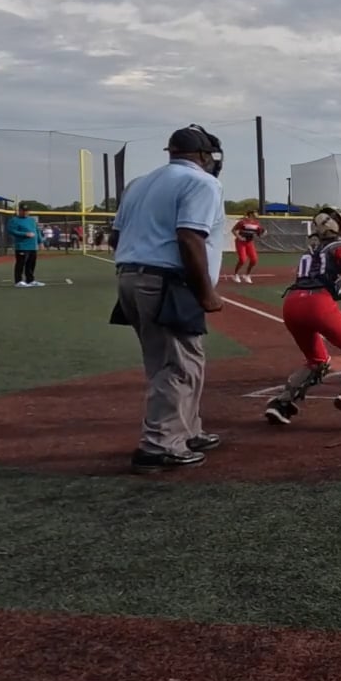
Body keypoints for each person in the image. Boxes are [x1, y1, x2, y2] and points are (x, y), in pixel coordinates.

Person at [108, 125, 227, 472]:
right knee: (175, 365)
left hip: (131, 276)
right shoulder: (202, 182)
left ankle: (187, 430)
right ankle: (159, 445)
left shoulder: (139, 183)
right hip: (167, 281)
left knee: (182, 360)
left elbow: (116, 238)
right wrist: (206, 293)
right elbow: (190, 238)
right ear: (203, 155)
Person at [264, 208, 341, 427]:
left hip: (291, 304)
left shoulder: (311, 251)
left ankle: (282, 403)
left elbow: (316, 280)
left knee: (317, 361)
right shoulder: (339, 246)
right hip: (317, 304)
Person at [7, 203, 44, 287]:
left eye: (26, 211)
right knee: (21, 263)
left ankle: (30, 280)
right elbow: (11, 231)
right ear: (19, 211)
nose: (25, 212)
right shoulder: (14, 220)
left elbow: (37, 231)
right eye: (23, 211)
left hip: (32, 246)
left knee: (31, 264)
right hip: (22, 246)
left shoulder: (31, 220)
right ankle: (18, 281)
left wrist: (40, 242)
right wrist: (25, 234)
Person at [230, 210, 265, 283]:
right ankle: (235, 275)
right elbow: (233, 230)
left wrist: (264, 233)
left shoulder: (257, 223)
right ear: (251, 214)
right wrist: (239, 237)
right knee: (243, 259)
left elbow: (259, 235)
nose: (257, 214)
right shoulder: (242, 222)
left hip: (250, 243)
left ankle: (247, 275)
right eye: (256, 213)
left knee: (254, 260)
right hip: (240, 242)